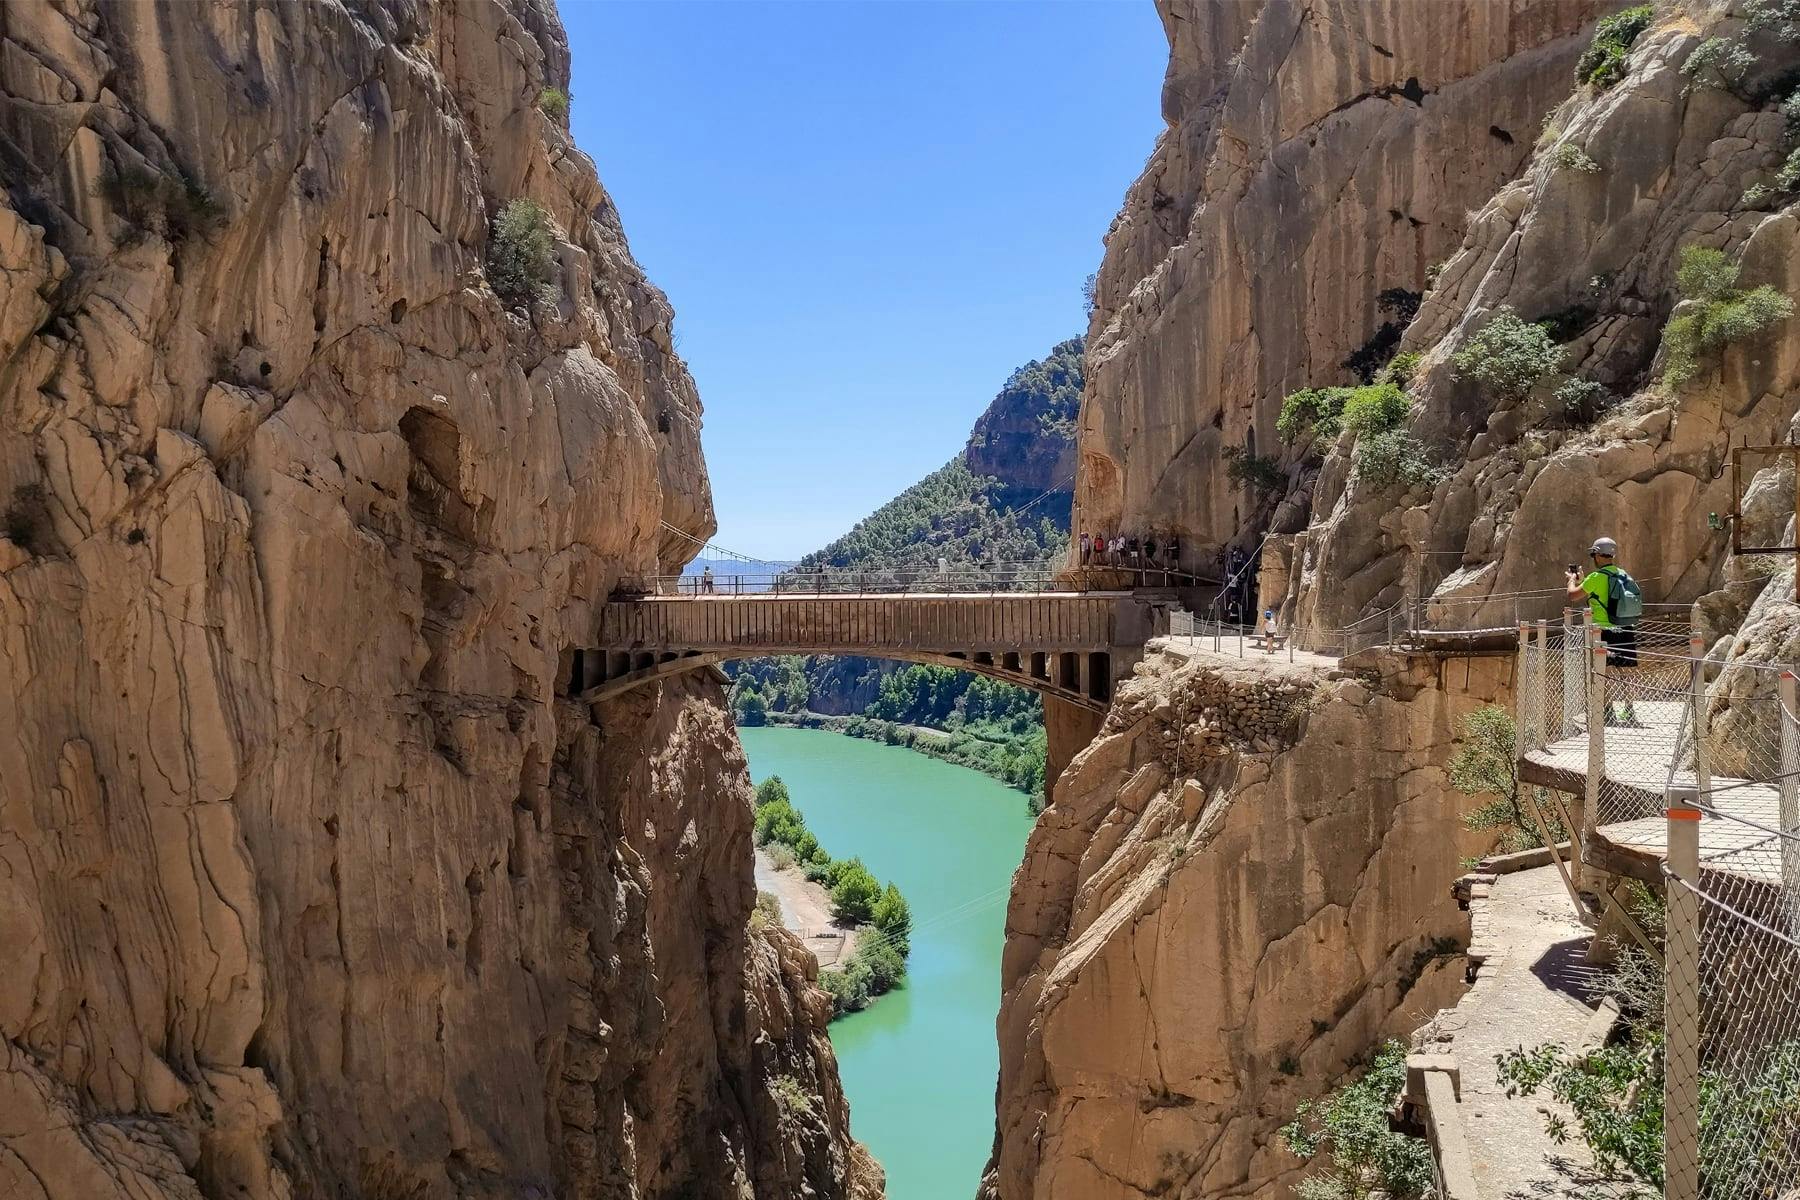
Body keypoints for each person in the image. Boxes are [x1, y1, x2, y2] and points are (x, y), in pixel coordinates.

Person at [1567, 536, 1644, 725]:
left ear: (1597, 555)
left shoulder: (1596, 577)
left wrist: (1572, 580)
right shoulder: (1623, 574)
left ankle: (1608, 711)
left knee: (1605, 671)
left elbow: (1573, 595)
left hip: (1603, 631)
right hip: (1625, 627)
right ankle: (1629, 711)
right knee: (1627, 672)